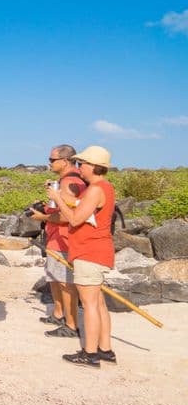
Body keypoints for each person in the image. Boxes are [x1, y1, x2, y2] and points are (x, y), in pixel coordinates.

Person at [48, 146, 116, 368]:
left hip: (90, 251)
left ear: (95, 167)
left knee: (89, 305)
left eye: (83, 164)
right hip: (97, 250)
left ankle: (90, 353)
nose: (80, 168)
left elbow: (75, 220)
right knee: (98, 303)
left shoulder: (96, 189)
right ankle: (105, 349)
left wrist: (57, 198)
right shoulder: (103, 187)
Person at [27, 145, 85, 338]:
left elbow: (68, 216)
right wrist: (46, 207)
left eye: (52, 159)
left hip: (65, 238)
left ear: (65, 161)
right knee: (55, 277)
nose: (49, 162)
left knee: (65, 282)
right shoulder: (65, 181)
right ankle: (59, 314)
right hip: (56, 237)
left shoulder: (69, 182)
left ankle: (71, 324)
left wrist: (41, 218)